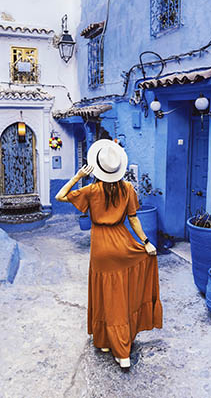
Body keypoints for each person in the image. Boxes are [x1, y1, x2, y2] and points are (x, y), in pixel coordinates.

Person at [55, 139, 163, 369]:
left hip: (101, 247)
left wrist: (77, 177)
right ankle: (117, 344)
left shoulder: (92, 190)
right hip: (123, 243)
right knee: (122, 294)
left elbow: (60, 197)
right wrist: (145, 243)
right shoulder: (128, 189)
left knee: (106, 293)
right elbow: (133, 219)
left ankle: (111, 344)